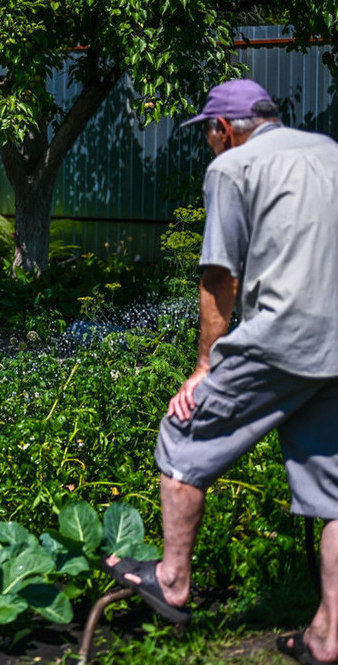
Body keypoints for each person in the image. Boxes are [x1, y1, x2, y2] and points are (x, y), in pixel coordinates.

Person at [102, 78, 338, 664]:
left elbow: (218, 277)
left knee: (184, 435)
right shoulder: (331, 152)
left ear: (224, 129)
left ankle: (173, 580)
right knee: (334, 491)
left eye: (208, 133)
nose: (209, 144)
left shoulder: (232, 169)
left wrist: (205, 365)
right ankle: (328, 638)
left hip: (281, 337)